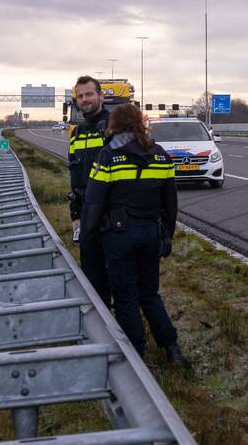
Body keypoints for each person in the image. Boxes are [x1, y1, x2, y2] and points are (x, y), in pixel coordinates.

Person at [81, 103, 188, 365]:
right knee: (149, 293)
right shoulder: (161, 154)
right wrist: (167, 236)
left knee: (126, 296)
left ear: (114, 124)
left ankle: (135, 355)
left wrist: (87, 235)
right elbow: (170, 203)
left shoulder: (109, 155)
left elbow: (94, 203)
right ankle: (171, 348)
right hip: (151, 233)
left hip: (119, 237)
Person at [68, 75, 112, 306]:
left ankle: (130, 338)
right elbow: (74, 176)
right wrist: (75, 215)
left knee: (121, 282)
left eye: (89, 94)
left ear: (101, 96)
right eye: (81, 96)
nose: (85, 99)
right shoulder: (78, 132)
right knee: (93, 279)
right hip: (87, 215)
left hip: (114, 214)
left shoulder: (115, 126)